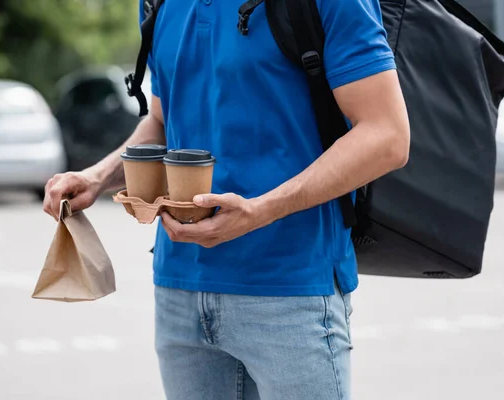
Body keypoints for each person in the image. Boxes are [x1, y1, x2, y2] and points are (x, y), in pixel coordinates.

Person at [43, 0, 410, 398]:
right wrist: (98, 176)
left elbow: (387, 135)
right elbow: (165, 120)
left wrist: (261, 210)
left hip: (291, 291)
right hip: (179, 294)